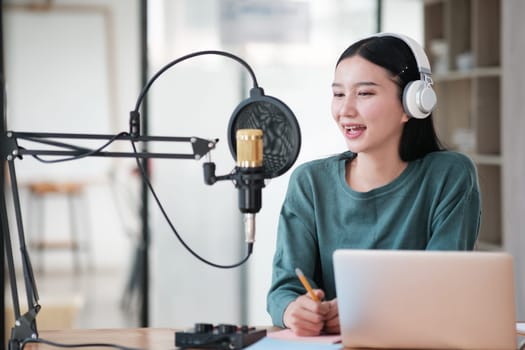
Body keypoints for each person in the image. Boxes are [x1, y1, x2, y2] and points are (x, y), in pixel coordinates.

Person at [266, 33, 481, 336]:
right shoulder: (310, 182)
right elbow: (284, 288)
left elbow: (442, 286)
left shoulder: (450, 176)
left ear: (413, 102)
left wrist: (368, 310)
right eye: (339, 94)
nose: (345, 110)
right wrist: (293, 310)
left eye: (364, 94)